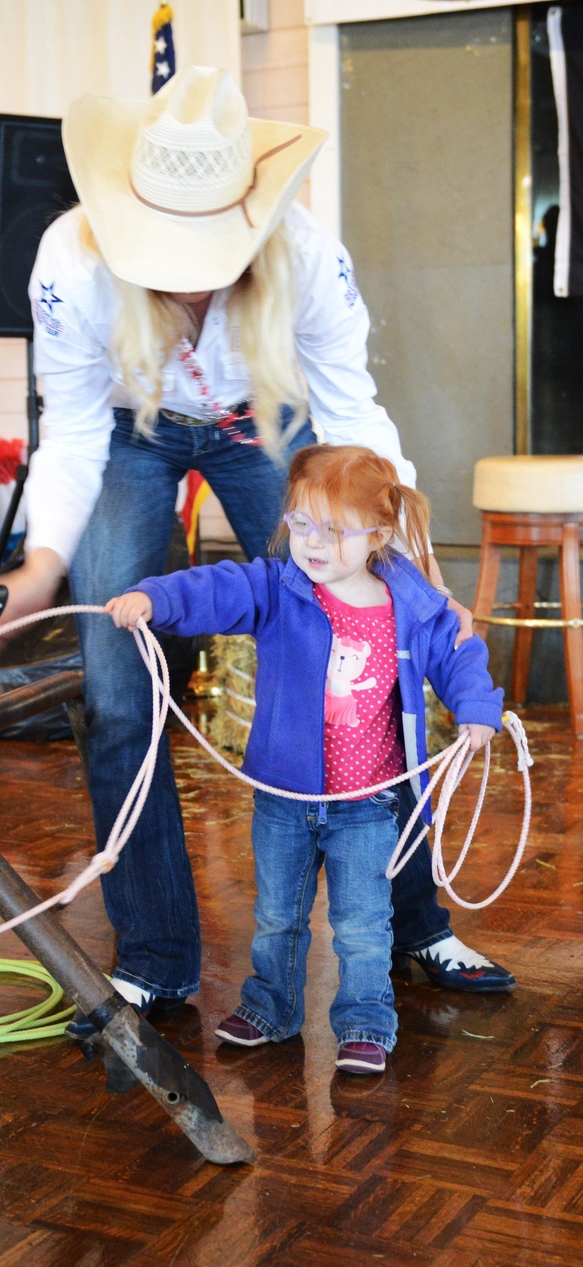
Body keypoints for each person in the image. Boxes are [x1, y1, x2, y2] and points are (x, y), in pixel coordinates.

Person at [0, 64, 514, 1031]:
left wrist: (409, 547)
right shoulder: (68, 260)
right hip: (125, 431)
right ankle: (155, 957)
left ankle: (412, 924)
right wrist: (41, 565)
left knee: (375, 653)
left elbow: (351, 406)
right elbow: (66, 432)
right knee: (116, 696)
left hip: (262, 416)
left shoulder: (306, 252)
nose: (188, 274)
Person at [105, 445, 504, 1074]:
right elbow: (215, 586)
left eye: (334, 530)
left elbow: (458, 653)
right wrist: (153, 599)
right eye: (301, 523)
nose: (313, 543)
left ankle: (367, 1021)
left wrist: (476, 707)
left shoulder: (413, 603)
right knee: (275, 918)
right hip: (284, 800)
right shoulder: (278, 588)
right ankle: (270, 1007)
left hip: (369, 806)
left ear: (378, 533)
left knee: (364, 926)